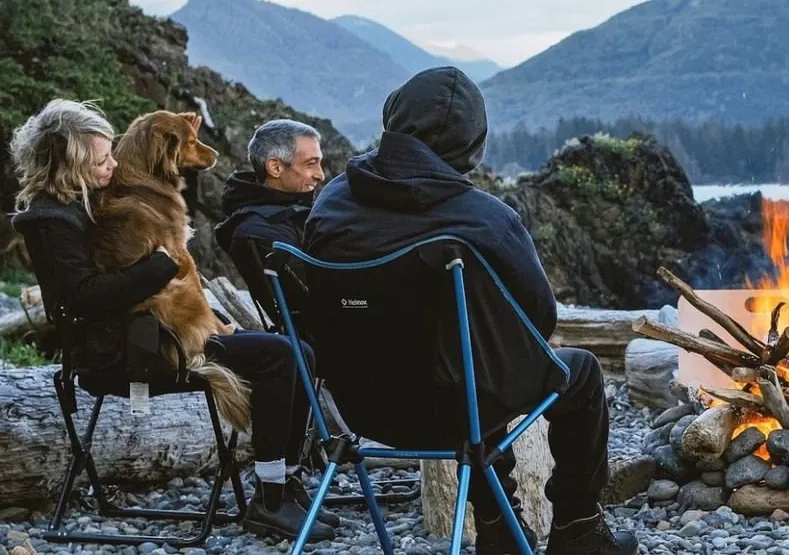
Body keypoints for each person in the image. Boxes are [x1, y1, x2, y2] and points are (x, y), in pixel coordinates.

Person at [305, 68, 638, 555]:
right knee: (573, 372)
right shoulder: (484, 218)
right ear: (472, 143)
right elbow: (538, 322)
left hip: (360, 406)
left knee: (469, 364)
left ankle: (501, 528)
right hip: (454, 408)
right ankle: (578, 529)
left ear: (394, 117)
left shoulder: (332, 203)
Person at [8, 99, 335, 543]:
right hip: (128, 353)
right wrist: (163, 264)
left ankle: (286, 487)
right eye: (104, 158)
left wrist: (181, 145)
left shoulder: (84, 200)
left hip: (147, 335)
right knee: (280, 356)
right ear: (72, 163)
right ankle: (271, 500)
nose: (114, 162)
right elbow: (84, 299)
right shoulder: (52, 224)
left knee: (301, 354)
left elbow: (156, 172)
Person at [214, 119, 325, 331]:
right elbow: (315, 304)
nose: (321, 175)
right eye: (311, 164)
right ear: (275, 167)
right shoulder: (261, 230)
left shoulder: (287, 214)